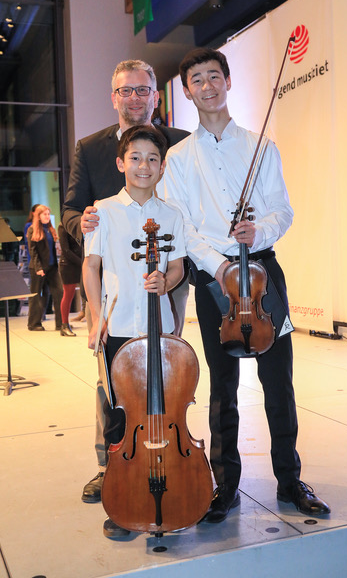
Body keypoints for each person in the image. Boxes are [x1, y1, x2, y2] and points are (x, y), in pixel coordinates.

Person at [163, 47, 331, 523]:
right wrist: (217, 265)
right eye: (197, 80)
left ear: (228, 81)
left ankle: (290, 480)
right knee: (223, 388)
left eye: (214, 76)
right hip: (214, 279)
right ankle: (226, 485)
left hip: (262, 276)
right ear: (187, 91)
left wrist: (259, 232)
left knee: (279, 383)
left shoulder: (261, 145)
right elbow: (182, 225)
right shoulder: (178, 158)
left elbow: (283, 210)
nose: (207, 86)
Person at [61, 59, 190, 503]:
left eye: (143, 89)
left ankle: (169, 457)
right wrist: (84, 223)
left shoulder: (181, 144)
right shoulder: (90, 147)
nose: (134, 98)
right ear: (113, 96)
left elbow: (192, 210)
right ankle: (112, 466)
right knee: (113, 386)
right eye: (126, 90)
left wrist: (171, 278)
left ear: (156, 95)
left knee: (169, 379)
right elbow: (72, 209)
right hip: (115, 284)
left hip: (166, 276)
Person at [83, 125, 186, 538]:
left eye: (153, 159)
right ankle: (121, 496)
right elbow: (91, 267)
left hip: (160, 329)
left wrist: (166, 281)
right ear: (120, 163)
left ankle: (169, 480)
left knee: (163, 411)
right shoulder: (103, 211)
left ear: (162, 167)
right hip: (119, 327)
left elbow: (177, 267)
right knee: (119, 416)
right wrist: (96, 318)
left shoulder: (172, 214)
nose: (144, 166)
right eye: (136, 158)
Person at [27, 205, 63, 331]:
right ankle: (34, 324)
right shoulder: (32, 229)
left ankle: (61, 323)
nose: (47, 216)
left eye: (48, 214)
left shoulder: (49, 229)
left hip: (52, 267)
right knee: (36, 295)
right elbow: (33, 251)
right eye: (45, 214)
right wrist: (38, 268)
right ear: (38, 216)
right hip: (38, 268)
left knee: (59, 292)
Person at [57, 223, 83, 336]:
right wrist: (82, 262)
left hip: (81, 262)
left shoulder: (80, 223)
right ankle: (64, 325)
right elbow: (66, 250)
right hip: (68, 265)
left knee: (88, 293)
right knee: (68, 295)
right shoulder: (62, 227)